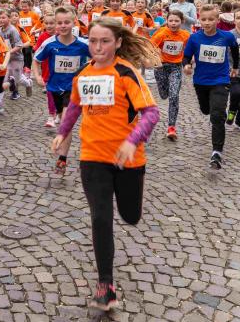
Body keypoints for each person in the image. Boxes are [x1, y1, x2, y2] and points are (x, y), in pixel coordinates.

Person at [50, 17, 160, 311]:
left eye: (105, 41)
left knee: (130, 215)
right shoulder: (83, 74)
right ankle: (106, 285)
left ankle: (131, 204)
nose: (98, 47)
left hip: (128, 159)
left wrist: (132, 141)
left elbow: (151, 113)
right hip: (92, 156)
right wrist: (62, 132)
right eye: (93, 41)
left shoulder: (126, 73)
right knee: (100, 218)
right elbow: (75, 106)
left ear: (118, 42)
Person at [32, 7, 90, 174]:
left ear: (74, 23)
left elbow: (99, 57)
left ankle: (62, 158)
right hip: (54, 88)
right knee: (61, 118)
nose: (63, 26)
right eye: (60, 23)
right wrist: (37, 76)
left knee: (66, 121)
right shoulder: (49, 43)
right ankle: (62, 152)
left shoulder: (83, 44)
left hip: (74, 89)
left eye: (67, 22)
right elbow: (36, 60)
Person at [183, 5, 239, 170]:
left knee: (217, 115)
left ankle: (217, 152)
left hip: (220, 80)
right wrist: (186, 65)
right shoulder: (194, 38)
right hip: (201, 81)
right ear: (199, 20)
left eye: (211, 19)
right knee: (206, 110)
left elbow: (234, 49)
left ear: (217, 20)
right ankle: (213, 110)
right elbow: (186, 56)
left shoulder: (226, 36)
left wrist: (235, 67)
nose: (207, 22)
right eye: (204, 19)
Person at [150, 10, 190, 140]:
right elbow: (150, 47)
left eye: (176, 21)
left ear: (182, 22)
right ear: (167, 21)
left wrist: (189, 62)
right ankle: (165, 90)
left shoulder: (185, 35)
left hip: (175, 67)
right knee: (164, 95)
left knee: (174, 95)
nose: (173, 23)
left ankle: (171, 127)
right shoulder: (161, 33)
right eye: (171, 20)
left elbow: (190, 50)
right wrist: (155, 58)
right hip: (160, 67)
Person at [0, 9, 25, 100]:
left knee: (16, 77)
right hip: (5, 59)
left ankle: (21, 87)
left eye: (3, 18)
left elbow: (19, 45)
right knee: (7, 77)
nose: (1, 20)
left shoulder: (13, 30)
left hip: (16, 57)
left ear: (9, 18)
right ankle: (12, 92)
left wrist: (9, 52)